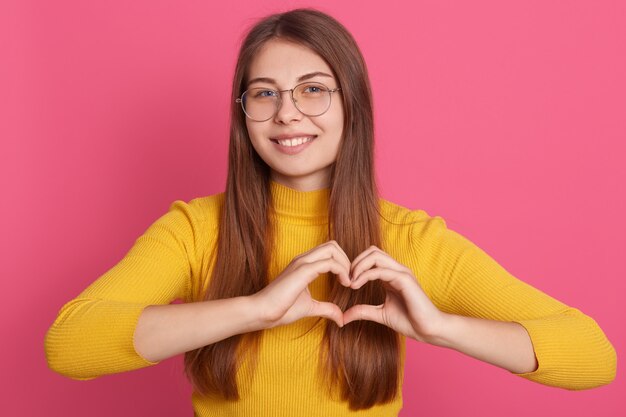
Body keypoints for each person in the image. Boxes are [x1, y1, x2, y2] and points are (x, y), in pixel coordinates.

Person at [44, 8, 616, 417]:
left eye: (313, 89)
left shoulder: (408, 240)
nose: (288, 113)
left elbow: (593, 356)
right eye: (264, 93)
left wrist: (441, 329)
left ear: (352, 105)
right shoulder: (195, 230)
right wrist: (254, 309)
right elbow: (70, 343)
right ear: (244, 115)